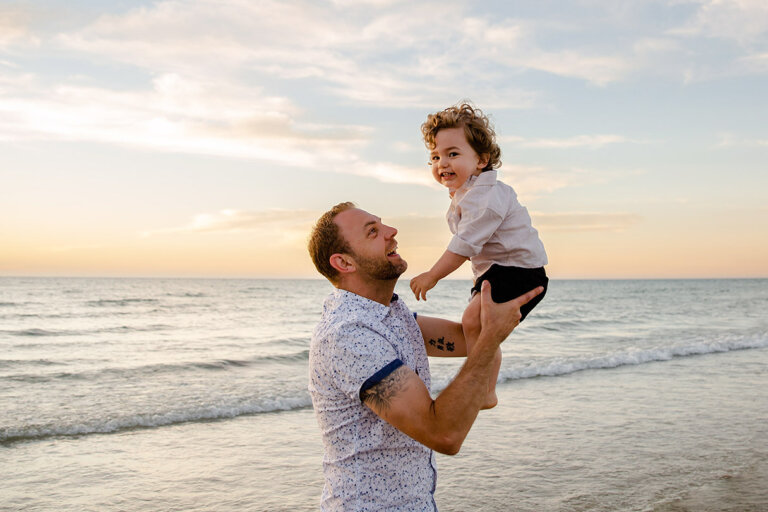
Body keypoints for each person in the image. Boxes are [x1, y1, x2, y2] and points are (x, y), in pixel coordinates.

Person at [307, 201, 543, 511]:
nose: (392, 231)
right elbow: (444, 434)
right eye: (373, 232)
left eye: (382, 224)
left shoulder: (391, 314)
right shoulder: (349, 336)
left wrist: (505, 282)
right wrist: (489, 339)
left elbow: (468, 340)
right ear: (344, 262)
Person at [410, 103, 549, 409]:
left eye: (453, 153)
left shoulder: (487, 196)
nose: (442, 163)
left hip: (519, 270)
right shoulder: (467, 193)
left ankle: (484, 388)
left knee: (476, 322)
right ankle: (483, 386)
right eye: (435, 157)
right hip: (496, 272)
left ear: (482, 160)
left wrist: (432, 275)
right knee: (476, 327)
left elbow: (465, 245)